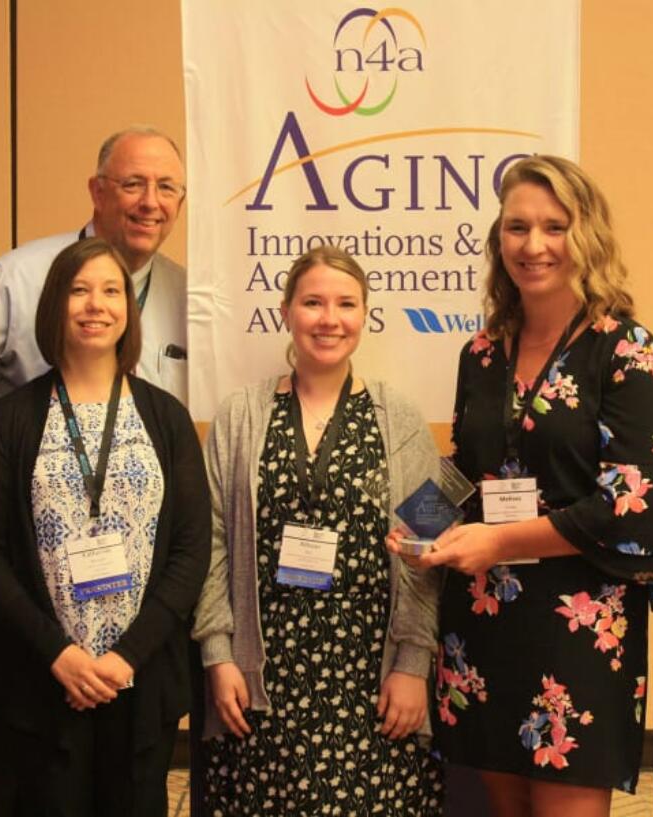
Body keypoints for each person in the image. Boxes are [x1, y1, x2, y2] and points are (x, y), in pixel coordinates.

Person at [404, 155, 653, 815]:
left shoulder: (625, 349)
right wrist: (415, 524)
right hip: (482, 625)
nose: (534, 245)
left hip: (577, 625)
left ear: (589, 237)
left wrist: (497, 544)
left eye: (555, 227)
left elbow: (633, 502)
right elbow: (467, 465)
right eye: (517, 226)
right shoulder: (483, 350)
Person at [0, 237, 210, 815]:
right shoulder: (12, 419)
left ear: (129, 308)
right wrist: (59, 653)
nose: (95, 305)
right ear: (55, 306)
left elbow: (192, 550)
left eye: (111, 290)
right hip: (38, 679)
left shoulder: (165, 417)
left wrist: (127, 655)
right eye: (78, 290)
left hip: (137, 678)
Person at [193, 246, 445, 815]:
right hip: (264, 672)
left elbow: (429, 548)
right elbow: (209, 542)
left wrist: (411, 665)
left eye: (345, 304)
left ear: (364, 316)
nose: (329, 318)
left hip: (368, 674)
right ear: (286, 311)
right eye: (313, 302)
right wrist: (218, 653)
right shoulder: (239, 416)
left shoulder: (399, 418)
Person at [0, 126, 189, 412]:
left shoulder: (189, 298)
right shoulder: (12, 281)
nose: (150, 202)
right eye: (133, 184)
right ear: (97, 192)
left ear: (180, 203)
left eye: (166, 187)